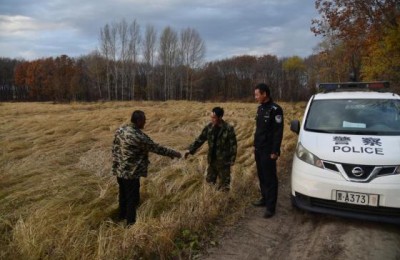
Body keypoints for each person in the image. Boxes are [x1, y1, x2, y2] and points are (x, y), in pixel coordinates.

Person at [111, 110, 181, 226]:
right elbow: (156, 148)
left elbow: (114, 147)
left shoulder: (121, 130)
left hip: (119, 170)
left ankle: (121, 217)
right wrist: (174, 153)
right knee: (131, 199)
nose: (145, 122)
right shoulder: (138, 136)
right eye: (144, 120)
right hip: (131, 173)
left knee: (123, 194)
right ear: (138, 121)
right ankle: (130, 224)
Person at [185, 107, 237, 191]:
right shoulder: (209, 127)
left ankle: (224, 202)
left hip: (224, 162)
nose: (212, 119)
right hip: (212, 160)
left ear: (220, 117)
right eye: (211, 117)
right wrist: (190, 150)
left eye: (214, 117)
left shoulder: (228, 129)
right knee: (209, 183)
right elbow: (200, 139)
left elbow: (233, 145)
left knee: (224, 186)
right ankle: (211, 201)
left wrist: (232, 159)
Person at [253, 83, 284, 218]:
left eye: (257, 94)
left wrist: (275, 151)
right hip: (259, 149)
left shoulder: (275, 109)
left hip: (268, 150)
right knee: (261, 176)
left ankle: (271, 207)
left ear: (265, 94)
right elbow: (259, 130)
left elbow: (278, 132)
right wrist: (255, 145)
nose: (255, 97)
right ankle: (264, 198)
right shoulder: (260, 109)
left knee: (270, 178)